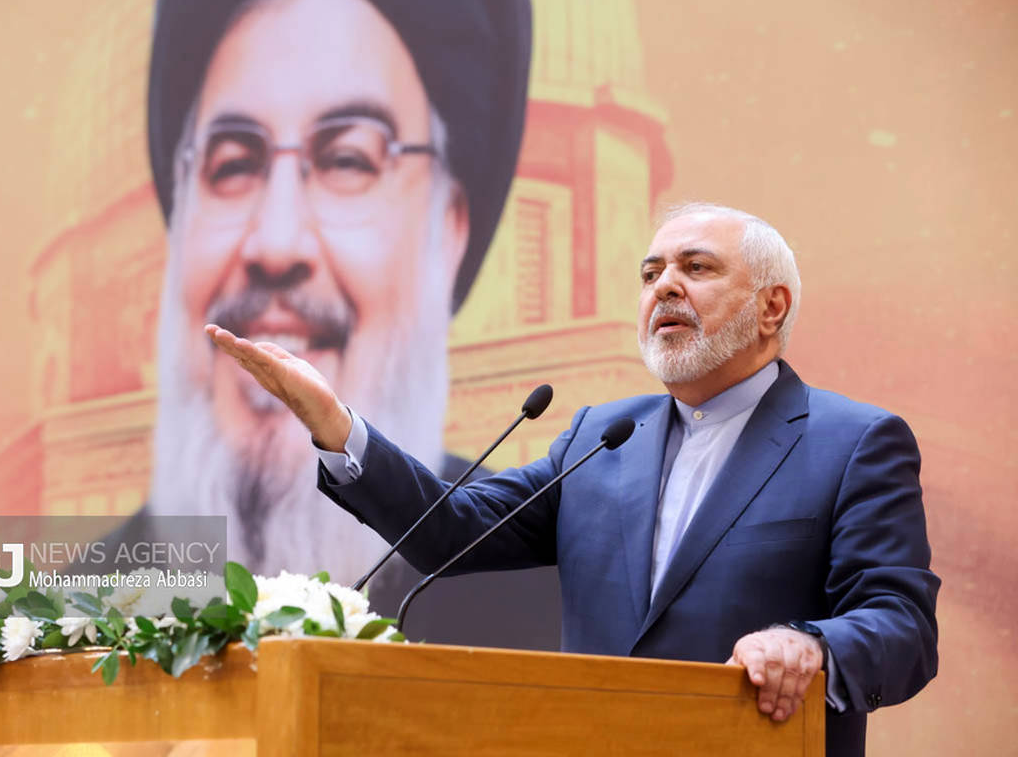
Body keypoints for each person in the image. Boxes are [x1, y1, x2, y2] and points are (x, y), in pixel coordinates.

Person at [206, 203, 940, 757]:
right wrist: (336, 425)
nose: (665, 287)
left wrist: (812, 647)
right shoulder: (602, 436)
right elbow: (448, 534)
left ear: (771, 306)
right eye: (650, 274)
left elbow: (904, 625)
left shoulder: (853, 442)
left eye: (696, 268)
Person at [136, 0, 562, 647]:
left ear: (450, 227)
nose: (276, 243)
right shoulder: (68, 614)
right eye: (233, 163)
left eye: (347, 160)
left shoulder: (542, 604)